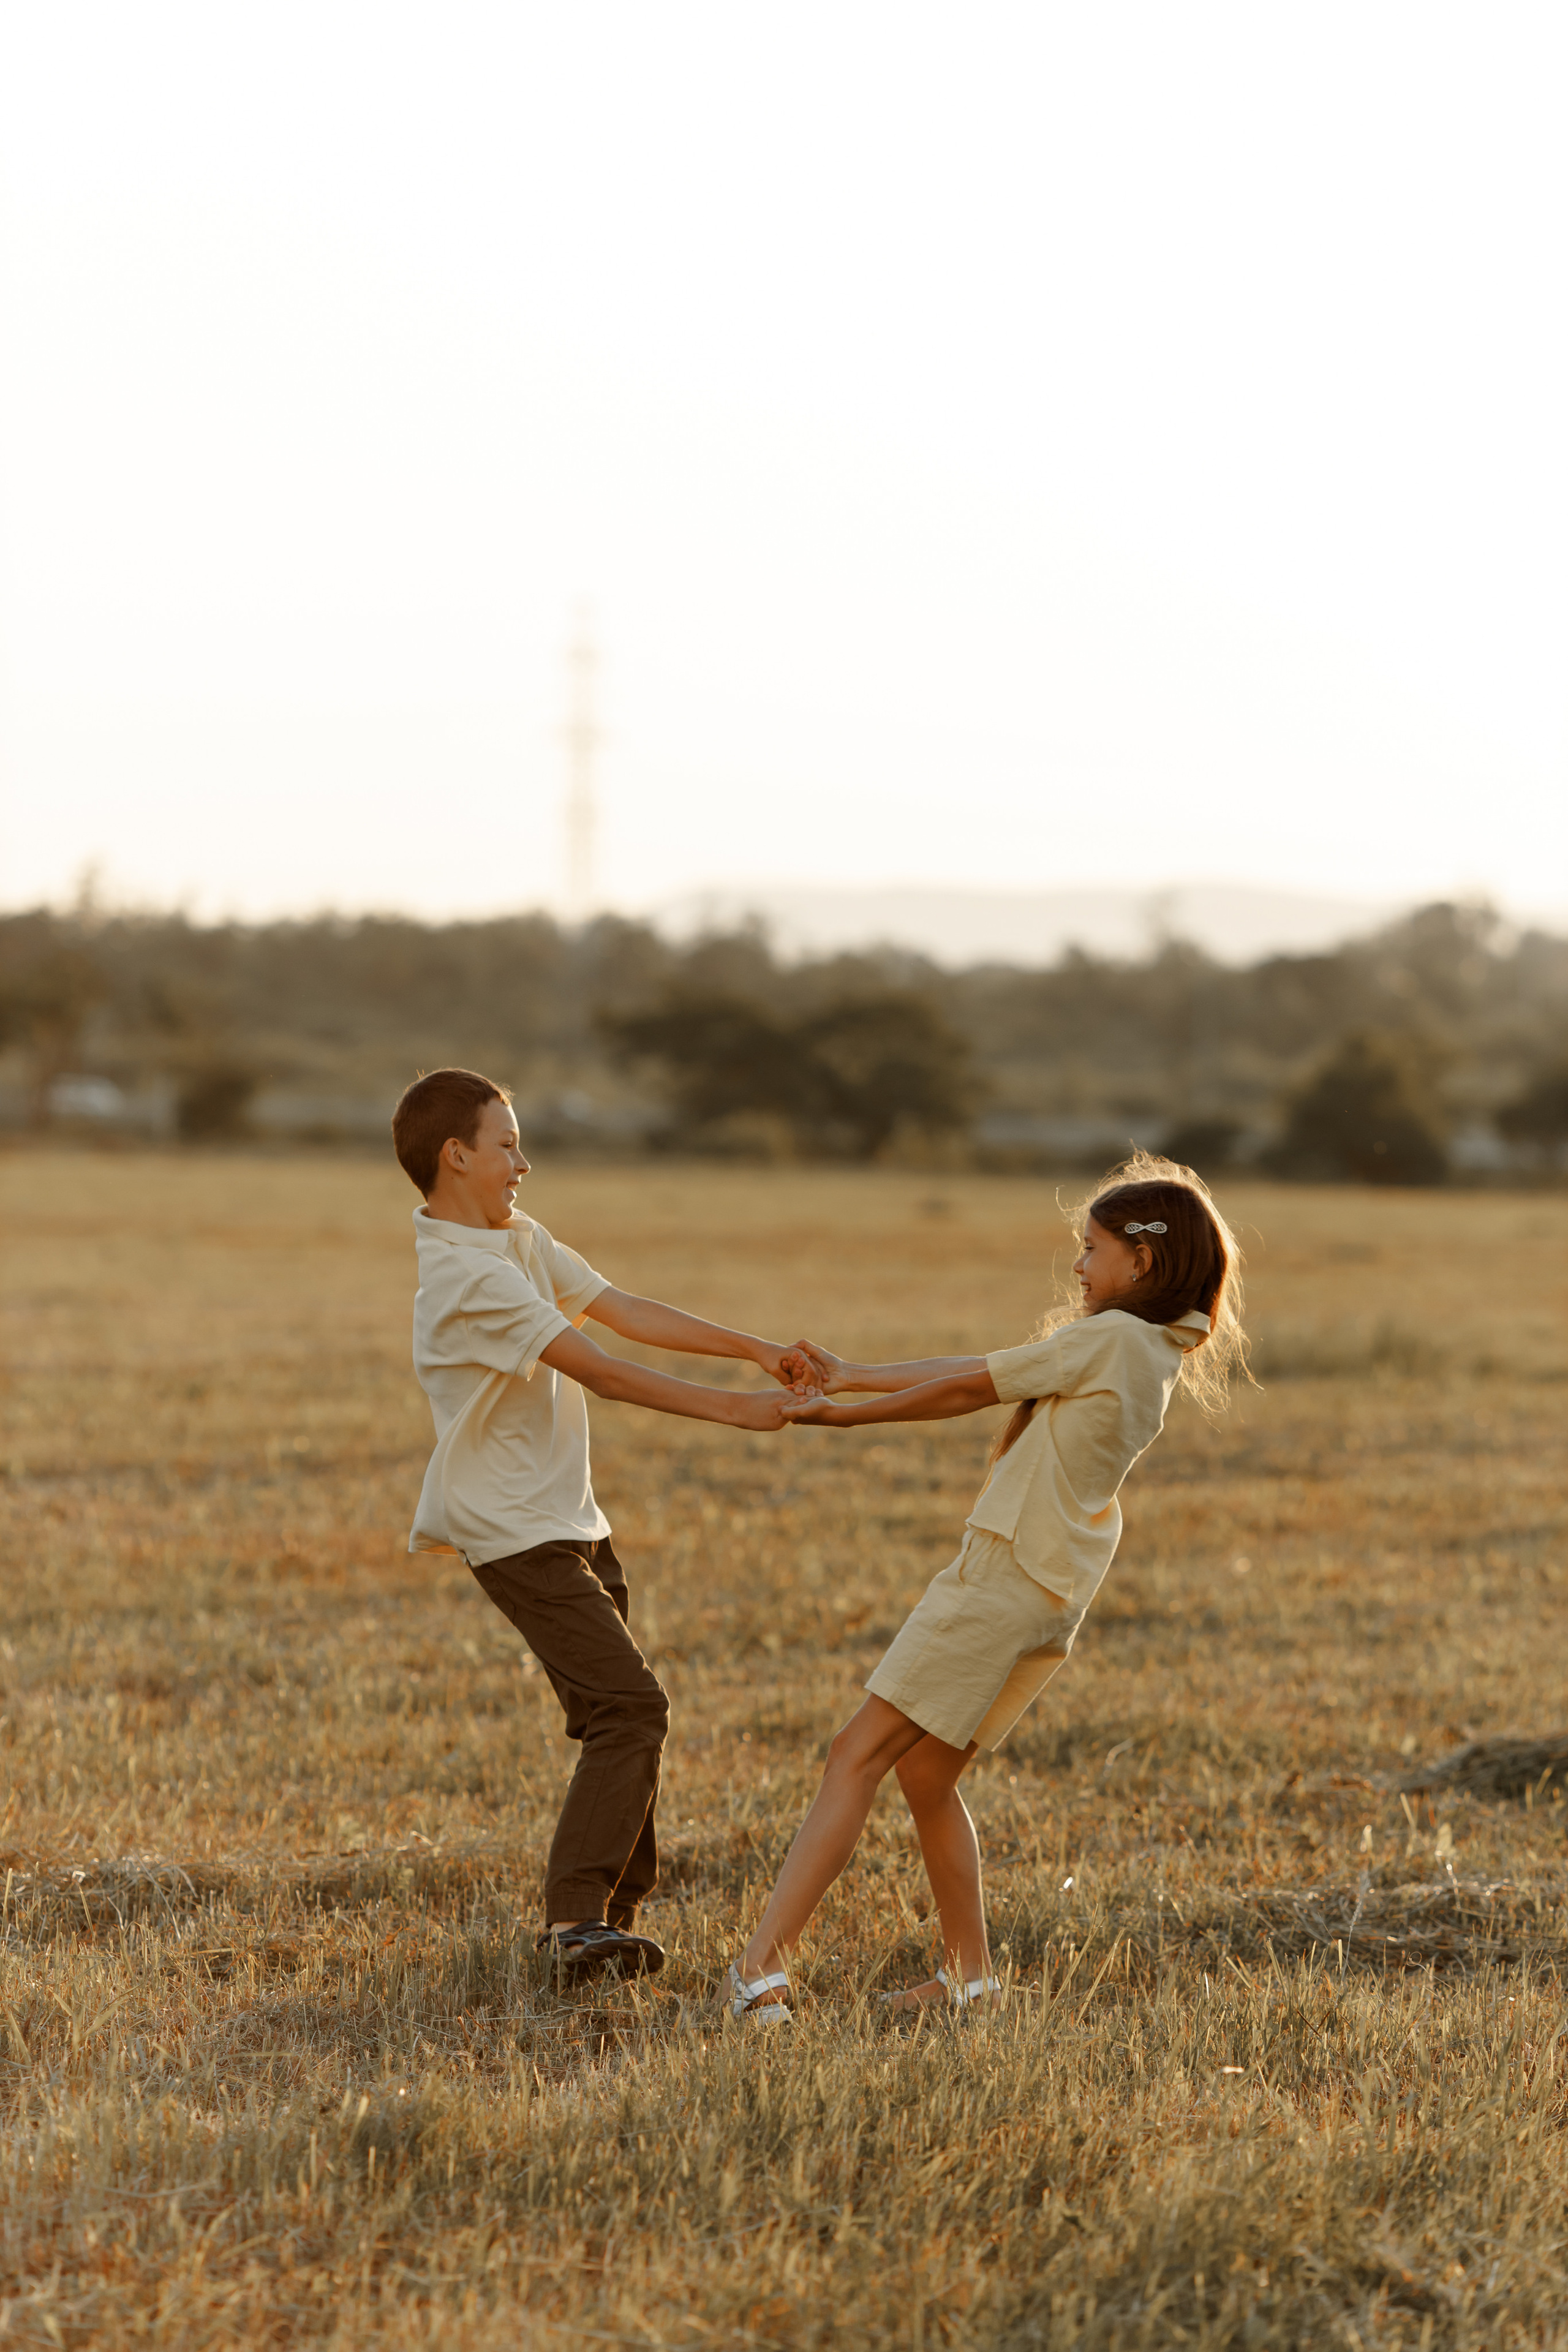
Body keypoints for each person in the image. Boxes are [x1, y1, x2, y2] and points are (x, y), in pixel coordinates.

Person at [723, 1155, 1248, 2025]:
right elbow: (985, 1368)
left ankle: (757, 1972)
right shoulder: (1153, 1348)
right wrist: (851, 1374)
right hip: (1051, 1593)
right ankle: (969, 1983)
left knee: (854, 1754)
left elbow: (970, 1388)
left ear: (1141, 1263)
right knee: (928, 1776)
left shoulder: (1112, 1338)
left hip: (1002, 1576)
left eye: (1091, 1248)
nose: (1079, 1267)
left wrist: (838, 1417)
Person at [391, 1067, 821, 1982]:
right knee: (632, 1708)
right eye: (507, 1145)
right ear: (456, 1155)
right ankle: (575, 1923)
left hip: (567, 1518)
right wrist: (737, 1412)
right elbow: (604, 1369)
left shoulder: (516, 1241)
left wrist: (754, 1347)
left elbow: (621, 1311)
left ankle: (609, 1924)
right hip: (511, 1530)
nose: (523, 1163)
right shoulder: (468, 1276)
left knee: (617, 1717)